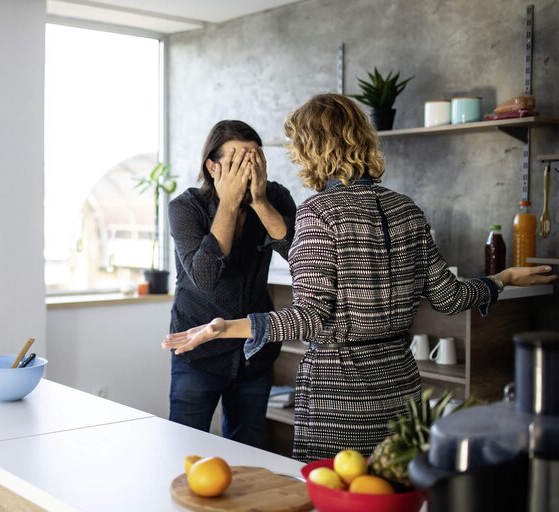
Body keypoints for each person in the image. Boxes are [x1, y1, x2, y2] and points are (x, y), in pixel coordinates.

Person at [162, 94, 558, 463]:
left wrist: (224, 327)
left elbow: (310, 317)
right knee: (393, 492)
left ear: (312, 148)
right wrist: (502, 278)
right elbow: (450, 297)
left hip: (339, 399)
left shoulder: (319, 212)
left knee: (334, 495)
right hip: (401, 391)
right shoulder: (407, 209)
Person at [166, 120, 297, 448]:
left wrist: (259, 203)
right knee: (184, 449)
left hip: (255, 353)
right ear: (212, 166)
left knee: (248, 453)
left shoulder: (275, 196)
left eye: (255, 159)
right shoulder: (185, 207)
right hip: (198, 352)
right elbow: (206, 278)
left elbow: (298, 254)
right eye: (237, 161)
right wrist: (228, 204)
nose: (247, 169)